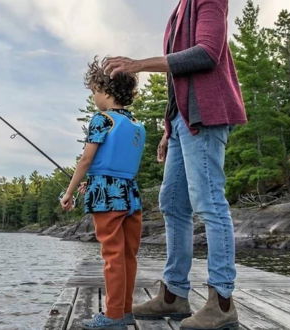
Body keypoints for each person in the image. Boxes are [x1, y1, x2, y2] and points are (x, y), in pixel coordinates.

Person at [102, 0, 246, 329]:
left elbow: (206, 54)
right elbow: (176, 83)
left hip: (205, 117)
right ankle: (174, 294)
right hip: (182, 122)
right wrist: (169, 129)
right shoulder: (180, 8)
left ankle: (222, 302)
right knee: (171, 202)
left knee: (209, 201)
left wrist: (138, 64)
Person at [60, 56, 146, 329]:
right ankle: (125, 310)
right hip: (130, 195)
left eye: (95, 92)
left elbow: (86, 160)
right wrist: (93, 182)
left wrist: (70, 191)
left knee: (112, 256)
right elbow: (117, 164)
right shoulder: (134, 124)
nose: (94, 98)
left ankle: (112, 316)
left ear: (106, 92)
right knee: (128, 255)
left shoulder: (101, 119)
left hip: (107, 198)